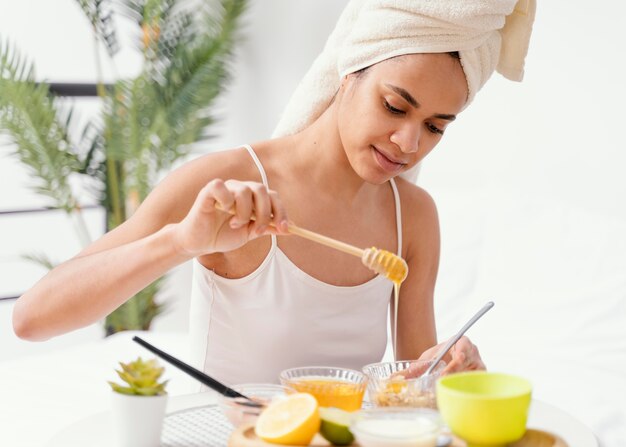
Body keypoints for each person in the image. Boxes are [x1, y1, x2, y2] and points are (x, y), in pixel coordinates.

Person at [13, 0, 535, 385]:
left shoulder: (413, 216)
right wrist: (181, 242)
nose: (409, 143)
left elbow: (414, 374)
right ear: (349, 72)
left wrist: (450, 371)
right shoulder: (228, 185)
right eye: (395, 107)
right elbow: (32, 318)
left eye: (436, 127)